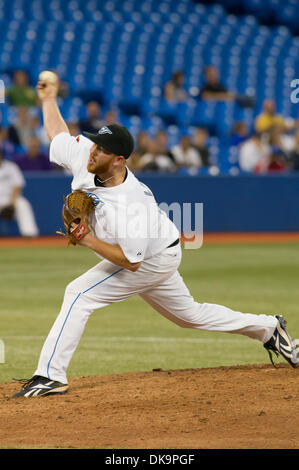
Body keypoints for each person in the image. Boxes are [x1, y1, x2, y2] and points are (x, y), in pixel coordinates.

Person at [11, 76, 299, 397]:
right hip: (160, 249)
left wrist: (86, 237)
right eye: (95, 142)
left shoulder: (133, 204)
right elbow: (57, 135)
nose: (93, 150)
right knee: (190, 316)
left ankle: (50, 375)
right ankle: (269, 328)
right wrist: (49, 99)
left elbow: (130, 263)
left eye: (102, 148)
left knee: (79, 294)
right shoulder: (87, 155)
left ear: (119, 160)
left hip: (149, 259)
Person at [0, 149, 39, 237]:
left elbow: (17, 186)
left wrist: (11, 204)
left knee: (23, 204)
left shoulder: (11, 167)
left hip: (9, 198)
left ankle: (29, 234)